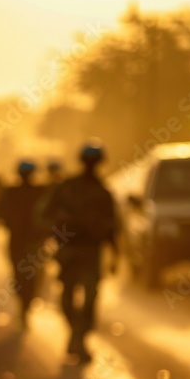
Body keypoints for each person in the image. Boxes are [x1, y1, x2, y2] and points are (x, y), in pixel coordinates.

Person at [40, 140, 119, 362]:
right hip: (70, 250)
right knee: (68, 297)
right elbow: (45, 215)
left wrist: (115, 255)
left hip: (90, 251)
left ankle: (78, 338)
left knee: (88, 298)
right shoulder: (67, 188)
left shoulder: (103, 192)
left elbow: (112, 226)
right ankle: (77, 335)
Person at [0, 160, 48, 328]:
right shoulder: (20, 192)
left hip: (28, 241)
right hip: (26, 241)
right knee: (26, 274)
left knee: (25, 274)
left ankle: (25, 305)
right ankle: (25, 305)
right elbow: (0, 214)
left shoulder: (36, 192)